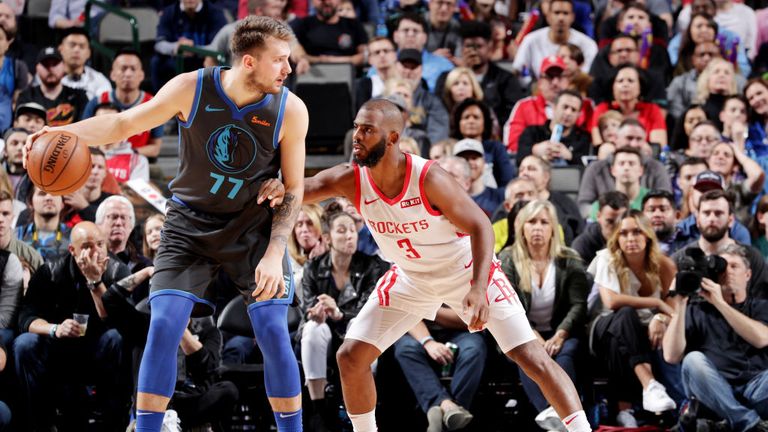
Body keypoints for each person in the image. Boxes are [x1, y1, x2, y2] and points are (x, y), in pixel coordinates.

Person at [24, 16, 309, 432]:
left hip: (252, 226)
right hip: (189, 224)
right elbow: (122, 124)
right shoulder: (192, 87)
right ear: (249, 62)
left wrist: (274, 252)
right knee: (163, 324)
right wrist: (65, 132)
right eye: (280, 60)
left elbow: (295, 189)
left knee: (271, 326)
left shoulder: (291, 109)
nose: (288, 69)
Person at [303, 99, 592, 432]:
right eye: (356, 127)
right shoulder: (351, 179)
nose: (357, 136)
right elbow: (303, 189)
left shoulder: (428, 177)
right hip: (410, 277)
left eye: (367, 130)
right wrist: (267, 184)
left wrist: (479, 288)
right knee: (350, 356)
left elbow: (481, 226)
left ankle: (582, 429)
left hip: (465, 271)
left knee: (531, 356)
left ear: (393, 138)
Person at [14, 221, 131, 430]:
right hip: (59, 348)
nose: (96, 252)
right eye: (87, 246)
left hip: (99, 349)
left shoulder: (117, 271)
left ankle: (113, 421)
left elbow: (124, 322)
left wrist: (95, 281)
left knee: (117, 337)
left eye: (100, 244)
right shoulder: (50, 270)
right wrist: (54, 328)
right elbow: (26, 317)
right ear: (72, 250)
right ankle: (38, 423)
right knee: (24, 343)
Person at [498, 200, 589, 431]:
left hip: (563, 332)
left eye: (544, 222)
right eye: (531, 222)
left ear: (553, 229)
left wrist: (559, 335)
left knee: (566, 355)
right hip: (522, 332)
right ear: (522, 227)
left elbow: (578, 305)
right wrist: (535, 339)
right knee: (526, 353)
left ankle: (561, 415)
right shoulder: (507, 259)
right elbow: (510, 307)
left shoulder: (570, 259)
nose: (537, 228)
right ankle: (552, 414)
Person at [299, 204, 389, 431]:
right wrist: (316, 311)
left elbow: (368, 310)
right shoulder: (313, 267)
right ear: (327, 238)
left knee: (358, 325)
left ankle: (366, 406)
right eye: (342, 230)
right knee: (312, 328)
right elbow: (307, 306)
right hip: (325, 337)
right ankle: (317, 409)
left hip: (353, 331)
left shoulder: (372, 266)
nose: (350, 235)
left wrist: (338, 313)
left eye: (352, 230)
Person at [587, 211, 679, 427]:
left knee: (626, 338)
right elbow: (611, 302)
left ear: (647, 235)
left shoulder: (665, 265)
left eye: (637, 231)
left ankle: (625, 412)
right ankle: (650, 386)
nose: (630, 238)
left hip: (637, 331)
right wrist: (656, 304)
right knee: (626, 315)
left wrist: (660, 318)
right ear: (616, 238)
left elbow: (673, 311)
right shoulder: (606, 258)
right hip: (603, 327)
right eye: (624, 233)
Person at [663, 243, 768, 432]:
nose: (727, 272)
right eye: (723, 266)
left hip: (756, 389)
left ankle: (729, 423)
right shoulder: (697, 309)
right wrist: (679, 306)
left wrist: (720, 304)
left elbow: (761, 338)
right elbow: (671, 356)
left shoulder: (761, 307)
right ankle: (750, 424)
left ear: (748, 275)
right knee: (692, 360)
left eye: (734, 266)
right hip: (714, 390)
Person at [673, 189, 768, 301]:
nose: (712, 218)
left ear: (731, 220)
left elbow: (762, 307)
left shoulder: (752, 257)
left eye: (718, 213)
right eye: (706, 213)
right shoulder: (680, 259)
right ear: (697, 219)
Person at [82, 49, 164, 159]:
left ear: (142, 75)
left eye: (133, 69)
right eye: (123, 68)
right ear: (112, 74)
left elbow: (155, 148)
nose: (128, 74)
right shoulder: (97, 102)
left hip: (137, 162)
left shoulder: (153, 104)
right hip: (102, 161)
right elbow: (85, 140)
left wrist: (127, 152)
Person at [516, 89, 592, 167]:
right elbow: (518, 160)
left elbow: (588, 166)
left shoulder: (583, 138)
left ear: (579, 114)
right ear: (554, 107)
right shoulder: (532, 132)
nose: (568, 113)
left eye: (573, 110)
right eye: (565, 107)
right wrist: (534, 150)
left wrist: (570, 156)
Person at [572, 191, 628, 265]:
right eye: (610, 222)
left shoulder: (635, 242)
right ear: (598, 216)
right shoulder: (582, 245)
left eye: (621, 221)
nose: (617, 228)